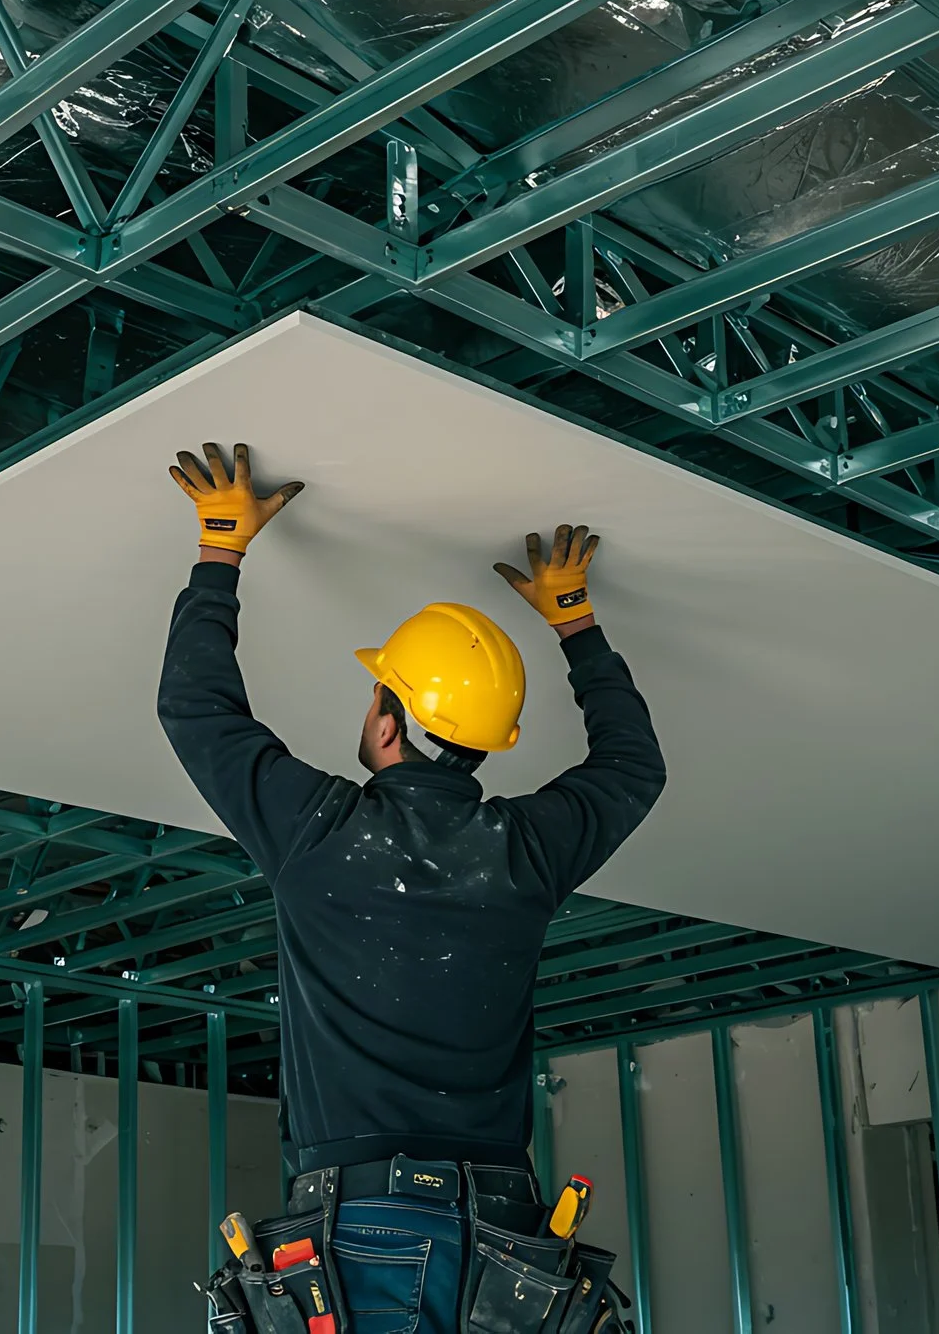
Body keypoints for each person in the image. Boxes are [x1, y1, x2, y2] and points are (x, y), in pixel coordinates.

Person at [158, 442, 665, 1334]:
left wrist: (222, 552)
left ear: (387, 720)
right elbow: (633, 769)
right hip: (490, 1218)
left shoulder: (326, 834)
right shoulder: (520, 853)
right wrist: (576, 621)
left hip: (398, 1225)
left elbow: (199, 710)